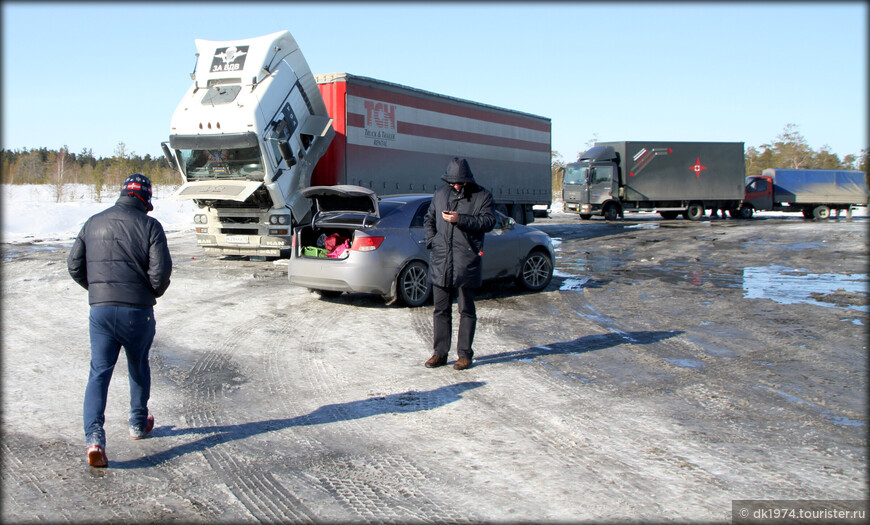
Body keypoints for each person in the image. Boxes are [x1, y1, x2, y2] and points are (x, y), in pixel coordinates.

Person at [67, 174, 172, 467]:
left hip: (100, 312)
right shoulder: (151, 226)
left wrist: (100, 289)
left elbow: (74, 265)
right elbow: (160, 274)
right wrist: (149, 293)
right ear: (146, 198)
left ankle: (94, 439)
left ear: (124, 193)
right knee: (138, 364)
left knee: (99, 373)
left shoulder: (93, 222)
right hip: (137, 312)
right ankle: (138, 423)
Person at [423, 158, 495, 370]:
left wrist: (460, 219)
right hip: (441, 259)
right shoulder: (440, 194)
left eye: (460, 183)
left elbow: (489, 222)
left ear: (468, 180)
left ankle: (465, 354)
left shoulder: (482, 196)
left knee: (466, 310)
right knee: (440, 309)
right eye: (453, 182)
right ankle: (440, 353)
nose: (456, 186)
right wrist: (432, 241)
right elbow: (429, 219)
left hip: (467, 260)